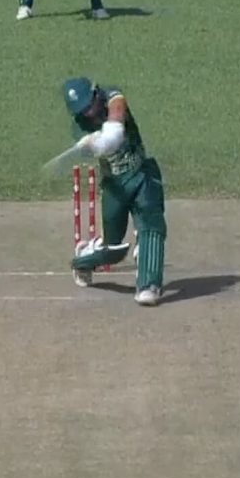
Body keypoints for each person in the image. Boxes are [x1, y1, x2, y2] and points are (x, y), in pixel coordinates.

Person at [62, 76, 166, 306]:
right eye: (82, 110)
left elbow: (117, 115)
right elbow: (96, 150)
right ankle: (84, 259)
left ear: (95, 93)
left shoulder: (112, 95)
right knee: (112, 248)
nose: (88, 112)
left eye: (89, 105)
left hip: (141, 174)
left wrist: (105, 137)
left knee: (151, 226)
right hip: (114, 187)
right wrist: (90, 145)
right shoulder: (79, 127)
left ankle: (148, 285)